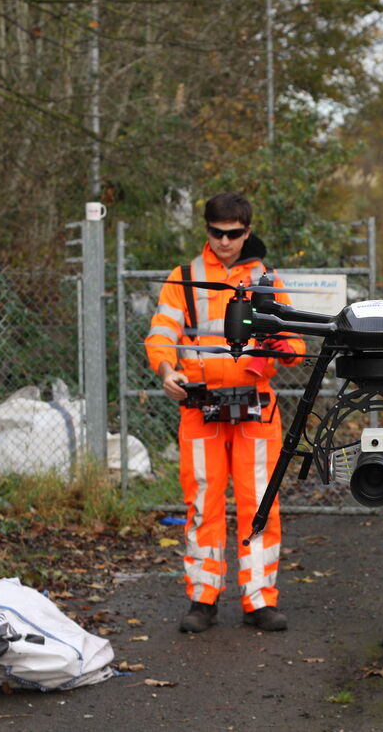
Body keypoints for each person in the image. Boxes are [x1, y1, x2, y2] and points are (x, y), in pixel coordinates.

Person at [145, 192, 305, 633]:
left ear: (247, 232)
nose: (225, 242)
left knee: (259, 505)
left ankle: (259, 600)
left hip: (256, 408)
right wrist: (165, 371)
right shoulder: (184, 278)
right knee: (203, 506)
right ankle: (203, 597)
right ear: (206, 230)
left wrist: (279, 350)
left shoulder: (266, 279)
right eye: (217, 233)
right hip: (200, 408)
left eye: (234, 234)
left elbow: (294, 342)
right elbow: (161, 334)